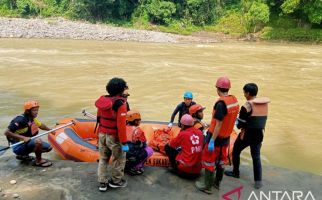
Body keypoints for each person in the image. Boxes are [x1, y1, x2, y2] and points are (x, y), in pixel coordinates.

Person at [195, 76, 239, 194]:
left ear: (217, 88)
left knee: (209, 161)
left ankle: (207, 186)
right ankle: (216, 183)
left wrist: (212, 140)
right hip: (226, 137)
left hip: (216, 137)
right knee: (221, 160)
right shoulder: (234, 100)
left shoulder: (220, 104)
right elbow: (228, 119)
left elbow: (219, 124)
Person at [225, 83, 270, 189]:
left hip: (247, 135)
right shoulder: (264, 104)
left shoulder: (246, 106)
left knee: (236, 150)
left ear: (248, 93)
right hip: (259, 134)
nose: (244, 94)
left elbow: (240, 124)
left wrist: (237, 122)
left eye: (244, 92)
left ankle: (235, 172)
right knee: (256, 156)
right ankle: (258, 181)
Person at [95, 77, 129, 192]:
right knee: (119, 159)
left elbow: (99, 118)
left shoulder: (102, 100)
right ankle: (116, 181)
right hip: (114, 136)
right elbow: (121, 126)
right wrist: (124, 143)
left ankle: (102, 183)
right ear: (121, 90)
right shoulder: (121, 104)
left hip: (102, 134)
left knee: (103, 158)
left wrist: (98, 135)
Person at [4, 100, 53, 167]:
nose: (36, 112)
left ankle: (23, 155)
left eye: (37, 110)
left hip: (25, 143)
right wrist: (23, 138)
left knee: (49, 148)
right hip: (17, 146)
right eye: (34, 110)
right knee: (38, 142)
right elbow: (6, 132)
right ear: (27, 111)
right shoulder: (20, 120)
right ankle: (38, 161)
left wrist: (50, 130)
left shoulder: (32, 118)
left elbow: (41, 125)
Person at [164, 114, 204, 178]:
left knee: (167, 147)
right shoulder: (200, 132)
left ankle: (174, 168)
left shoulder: (183, 134)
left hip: (185, 172)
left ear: (182, 125)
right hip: (198, 171)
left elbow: (171, 145)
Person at [125, 110, 153, 175]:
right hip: (132, 155)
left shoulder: (122, 128)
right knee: (150, 150)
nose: (140, 121)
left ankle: (126, 162)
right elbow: (144, 145)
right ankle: (136, 167)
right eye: (139, 120)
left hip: (123, 153)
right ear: (135, 121)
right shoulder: (138, 131)